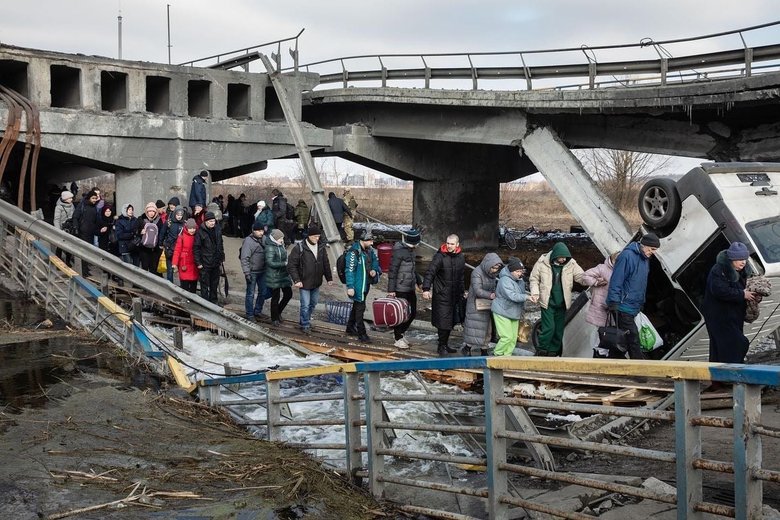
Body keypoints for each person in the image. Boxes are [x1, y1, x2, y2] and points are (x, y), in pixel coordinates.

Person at [606, 233, 661, 360]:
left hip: (633, 306)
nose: (653, 252)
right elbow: (616, 280)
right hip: (622, 306)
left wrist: (641, 302)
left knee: (625, 339)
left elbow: (641, 283)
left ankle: (613, 364)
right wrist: (613, 301)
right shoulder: (627, 256)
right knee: (633, 339)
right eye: (652, 249)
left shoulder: (644, 259)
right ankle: (639, 371)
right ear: (644, 245)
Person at [702, 241, 757, 363]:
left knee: (720, 347)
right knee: (737, 343)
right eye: (739, 259)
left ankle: (719, 379)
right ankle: (730, 374)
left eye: (744, 259)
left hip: (733, 315)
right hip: (719, 315)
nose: (743, 262)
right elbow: (719, 290)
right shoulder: (719, 270)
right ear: (732, 259)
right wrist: (742, 294)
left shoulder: (741, 270)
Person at [528, 242, 586, 357]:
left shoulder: (571, 264)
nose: (563, 259)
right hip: (547, 302)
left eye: (565, 257)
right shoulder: (542, 263)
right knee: (549, 328)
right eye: (561, 257)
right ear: (555, 255)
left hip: (562, 303)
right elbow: (534, 279)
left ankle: (553, 352)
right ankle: (542, 350)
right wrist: (535, 292)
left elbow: (581, 277)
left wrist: (593, 280)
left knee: (559, 329)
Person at [422, 234, 466, 356]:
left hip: (455, 294)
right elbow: (430, 272)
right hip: (442, 294)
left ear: (457, 245)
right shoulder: (440, 257)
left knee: (450, 321)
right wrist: (426, 288)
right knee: (443, 322)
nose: (449, 246)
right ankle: (441, 346)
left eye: (452, 244)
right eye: (448, 243)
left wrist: (462, 292)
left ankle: (445, 344)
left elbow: (461, 276)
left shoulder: (461, 257)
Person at [287, 225, 334, 334]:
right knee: (305, 304)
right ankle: (305, 324)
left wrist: (329, 278)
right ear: (309, 236)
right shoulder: (300, 248)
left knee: (313, 303)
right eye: (314, 236)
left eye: (318, 236)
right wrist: (296, 280)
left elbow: (325, 263)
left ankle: (305, 320)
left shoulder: (321, 247)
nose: (317, 239)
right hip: (303, 281)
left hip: (316, 281)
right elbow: (292, 265)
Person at [387, 228, 423, 349]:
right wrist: (391, 290)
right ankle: (397, 337)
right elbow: (392, 271)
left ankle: (401, 334)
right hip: (400, 288)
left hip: (410, 287)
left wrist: (419, 282)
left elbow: (413, 269)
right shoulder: (398, 252)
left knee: (412, 313)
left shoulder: (412, 252)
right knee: (401, 314)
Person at [462, 253, 504, 356]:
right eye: (493, 268)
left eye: (497, 268)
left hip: (487, 304)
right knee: (473, 328)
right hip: (475, 304)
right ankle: (467, 347)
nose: (494, 270)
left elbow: (494, 287)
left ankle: (484, 349)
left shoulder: (493, 275)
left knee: (487, 329)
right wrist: (491, 295)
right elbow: (477, 290)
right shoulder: (477, 272)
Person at [582, 252, 621, 358]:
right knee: (601, 332)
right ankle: (599, 353)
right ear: (612, 260)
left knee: (611, 332)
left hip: (613, 307)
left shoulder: (622, 270)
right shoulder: (602, 268)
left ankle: (606, 353)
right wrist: (596, 282)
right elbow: (585, 275)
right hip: (600, 306)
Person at [345, 228, 381, 343]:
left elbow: (375, 262)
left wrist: (374, 270)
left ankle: (350, 327)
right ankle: (362, 334)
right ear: (363, 240)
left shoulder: (370, 250)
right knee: (360, 308)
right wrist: (350, 286)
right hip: (358, 285)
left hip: (366, 283)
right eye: (370, 241)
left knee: (357, 306)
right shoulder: (353, 252)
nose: (372, 243)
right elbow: (349, 270)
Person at [492, 258, 528, 357]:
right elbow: (513, 296)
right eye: (517, 271)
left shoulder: (519, 280)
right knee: (506, 337)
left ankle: (507, 356)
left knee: (513, 338)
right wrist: (527, 297)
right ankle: (497, 354)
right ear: (511, 270)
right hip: (502, 310)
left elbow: (521, 293)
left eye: (521, 271)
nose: (519, 273)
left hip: (513, 311)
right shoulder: (504, 280)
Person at [240, 222, 269, 321]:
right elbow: (244, 258)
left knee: (263, 292)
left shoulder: (264, 239)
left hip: (263, 271)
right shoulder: (248, 241)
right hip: (252, 271)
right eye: (259, 231)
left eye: (262, 231)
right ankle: (249, 314)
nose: (261, 233)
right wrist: (247, 273)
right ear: (253, 231)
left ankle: (257, 311)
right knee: (250, 293)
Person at [194, 211, 224, 304]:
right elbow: (196, 248)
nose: (212, 223)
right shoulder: (200, 232)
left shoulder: (218, 230)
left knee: (214, 284)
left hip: (216, 262)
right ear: (206, 221)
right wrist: (198, 263)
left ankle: (213, 302)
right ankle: (205, 303)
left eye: (213, 221)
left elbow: (220, 244)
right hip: (205, 263)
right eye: (210, 221)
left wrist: (222, 257)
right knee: (204, 285)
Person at [265, 228, 293, 326]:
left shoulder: (281, 245)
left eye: (282, 238)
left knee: (288, 294)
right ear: (275, 238)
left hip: (283, 274)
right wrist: (284, 264)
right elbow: (270, 262)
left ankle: (278, 312)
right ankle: (274, 318)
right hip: (274, 276)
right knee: (275, 297)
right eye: (280, 238)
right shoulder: (270, 247)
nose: (282, 240)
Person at [71, 189, 100, 277]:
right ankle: (83, 271)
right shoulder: (82, 205)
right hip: (82, 232)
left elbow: (95, 220)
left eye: (96, 198)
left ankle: (86, 269)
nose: (95, 200)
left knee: (88, 252)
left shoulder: (94, 207)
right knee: (83, 251)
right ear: (89, 198)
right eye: (93, 198)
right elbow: (75, 217)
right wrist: (76, 228)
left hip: (91, 233)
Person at [136, 202, 165, 275]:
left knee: (154, 269)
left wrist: (160, 246)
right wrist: (140, 232)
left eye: (153, 211)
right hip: (144, 248)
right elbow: (135, 231)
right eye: (149, 211)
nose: (151, 213)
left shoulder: (159, 220)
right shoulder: (141, 219)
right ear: (146, 211)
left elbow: (161, 233)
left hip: (155, 250)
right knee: (144, 268)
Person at [172, 218, 199, 293]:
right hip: (184, 264)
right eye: (190, 228)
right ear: (187, 228)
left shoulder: (198, 236)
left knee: (193, 285)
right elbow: (177, 250)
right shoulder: (182, 237)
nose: (192, 230)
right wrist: (175, 263)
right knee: (184, 286)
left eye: (194, 228)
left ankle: (193, 301)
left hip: (194, 264)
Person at [162, 206, 187, 283]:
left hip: (180, 250)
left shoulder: (185, 224)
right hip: (170, 249)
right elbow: (162, 233)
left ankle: (181, 287)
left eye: (181, 215)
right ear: (174, 214)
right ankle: (170, 286)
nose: (179, 217)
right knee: (170, 269)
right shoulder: (169, 222)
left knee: (180, 269)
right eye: (178, 215)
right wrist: (161, 244)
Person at [52, 190, 75, 266]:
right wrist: (58, 231)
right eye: (70, 198)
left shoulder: (72, 205)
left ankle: (68, 262)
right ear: (65, 199)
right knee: (60, 247)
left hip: (70, 229)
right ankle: (59, 264)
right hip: (62, 229)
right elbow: (56, 219)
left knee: (69, 247)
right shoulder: (58, 207)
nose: (71, 199)